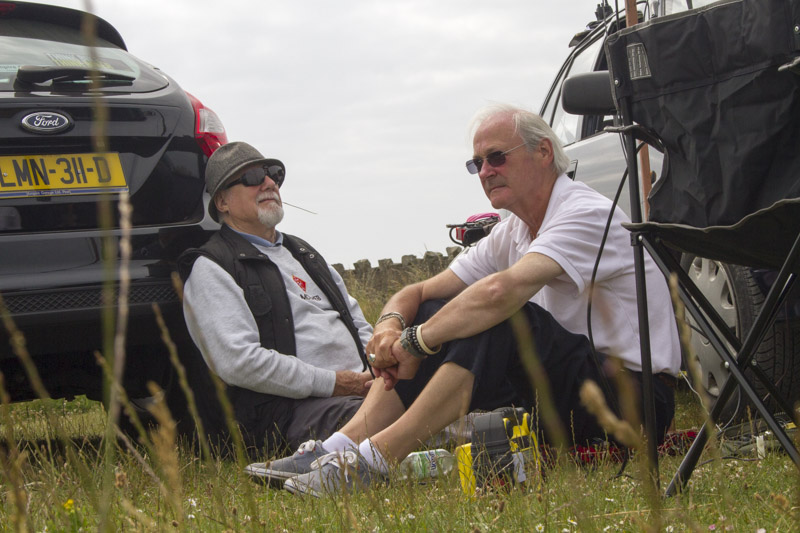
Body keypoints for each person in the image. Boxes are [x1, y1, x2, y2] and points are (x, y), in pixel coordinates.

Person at [266, 105, 682, 497]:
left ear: (543, 152)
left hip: (632, 402)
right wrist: (391, 325)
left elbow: (501, 293)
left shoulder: (582, 212)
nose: (485, 171)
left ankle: (375, 461)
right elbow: (419, 293)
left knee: (497, 316)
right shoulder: (514, 229)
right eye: (476, 163)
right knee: (438, 312)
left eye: (496, 157)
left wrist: (415, 342)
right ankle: (339, 447)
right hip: (568, 396)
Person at [178, 141, 373, 458]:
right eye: (253, 176)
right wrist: (335, 383)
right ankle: (464, 428)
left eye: (274, 174)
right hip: (289, 412)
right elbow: (238, 362)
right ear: (222, 202)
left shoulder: (304, 253)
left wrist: (378, 369)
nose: (269, 183)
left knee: (439, 372)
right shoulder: (212, 267)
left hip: (362, 388)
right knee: (394, 414)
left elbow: (357, 322)